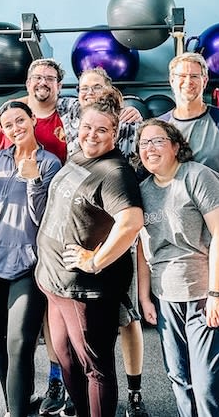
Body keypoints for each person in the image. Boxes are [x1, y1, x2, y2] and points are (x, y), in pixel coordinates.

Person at [35, 98, 144, 417]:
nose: (91, 135)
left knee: (95, 368)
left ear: (115, 133)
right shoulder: (79, 156)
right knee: (67, 359)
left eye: (101, 130)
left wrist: (95, 261)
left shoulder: (114, 172)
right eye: (86, 127)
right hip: (54, 282)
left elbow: (131, 222)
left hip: (83, 289)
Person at [159, 52, 219, 417]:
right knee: (184, 369)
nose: (188, 82)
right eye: (181, 76)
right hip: (179, 253)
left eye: (195, 76)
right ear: (171, 81)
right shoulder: (161, 128)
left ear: (205, 80)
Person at [134, 119, 219, 417]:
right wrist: (144, 297)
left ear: (175, 146)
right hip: (167, 298)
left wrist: (217, 293)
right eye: (144, 143)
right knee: (181, 381)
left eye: (158, 141)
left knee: (208, 387)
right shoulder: (143, 190)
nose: (150, 148)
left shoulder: (198, 177)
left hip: (207, 295)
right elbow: (142, 246)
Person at [63, 68, 148, 417]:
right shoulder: (73, 117)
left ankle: (134, 390)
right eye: (84, 87)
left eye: (96, 87)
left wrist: (136, 115)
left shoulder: (127, 123)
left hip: (114, 230)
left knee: (125, 316)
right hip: (83, 228)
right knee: (83, 331)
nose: (89, 92)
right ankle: (79, 388)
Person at [0, 101, 61, 417]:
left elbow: (43, 217)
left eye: (20, 120)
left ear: (32, 119)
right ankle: (16, 406)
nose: (15, 128)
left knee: (20, 341)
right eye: (8, 125)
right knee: (1, 339)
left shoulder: (49, 163)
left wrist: (34, 180)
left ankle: (17, 412)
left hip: (27, 264)